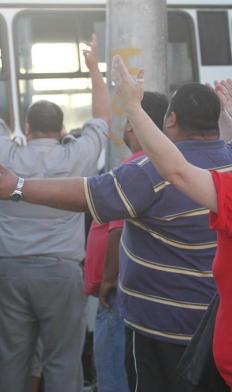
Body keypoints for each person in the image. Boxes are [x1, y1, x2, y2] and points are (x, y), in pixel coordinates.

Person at [0, 75, 232, 391]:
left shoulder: (151, 172)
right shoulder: (226, 165)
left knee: (15, 355)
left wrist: (19, 187)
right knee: (62, 359)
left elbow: (89, 193)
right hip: (216, 328)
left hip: (161, 331)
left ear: (171, 120)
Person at [0, 31, 110, 392]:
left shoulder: (7, 155)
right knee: (63, 361)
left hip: (12, 270)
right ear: (62, 129)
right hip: (61, 274)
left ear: (27, 129)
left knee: (11, 359)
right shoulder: (79, 155)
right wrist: (94, 68)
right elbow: (103, 118)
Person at [109, 57, 232, 390]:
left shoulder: (147, 173)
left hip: (173, 337)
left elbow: (176, 170)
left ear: (172, 120)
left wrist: (134, 108)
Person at [85, 91, 168, 392]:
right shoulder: (157, 164)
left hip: (117, 292)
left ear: (134, 126)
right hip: (132, 289)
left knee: (112, 372)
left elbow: (118, 230)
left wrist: (108, 279)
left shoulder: (136, 168)